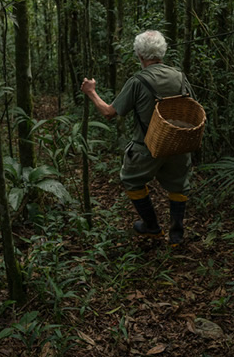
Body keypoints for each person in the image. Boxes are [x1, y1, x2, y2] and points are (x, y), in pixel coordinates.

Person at [80, 30, 192, 246]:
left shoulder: (138, 81)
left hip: (147, 147)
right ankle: (176, 236)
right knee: (179, 185)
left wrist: (91, 92)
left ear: (139, 55)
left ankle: (152, 227)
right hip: (178, 144)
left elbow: (109, 113)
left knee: (131, 179)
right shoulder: (179, 76)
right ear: (163, 52)